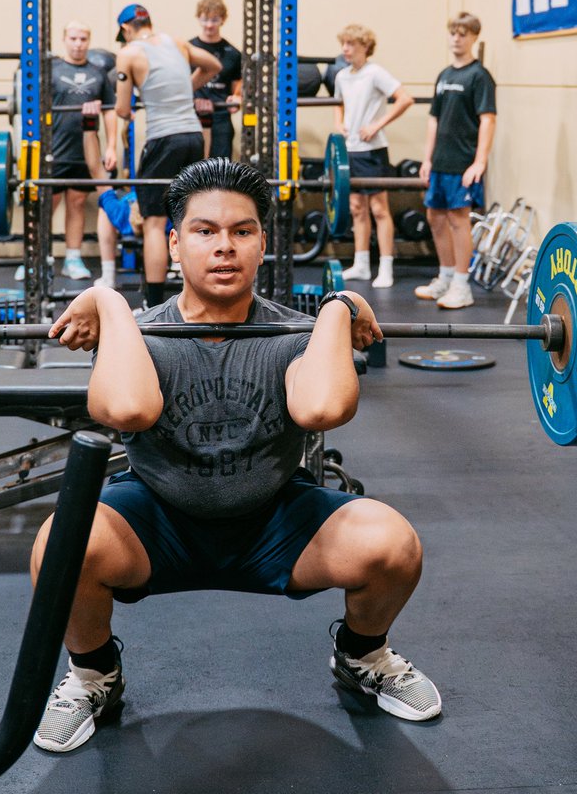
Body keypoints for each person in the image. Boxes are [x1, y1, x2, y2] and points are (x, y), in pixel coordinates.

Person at [31, 158, 441, 755]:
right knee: (61, 542)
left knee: (392, 542)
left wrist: (340, 305)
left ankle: (361, 654)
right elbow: (126, 411)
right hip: (158, 523)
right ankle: (95, 674)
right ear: (173, 242)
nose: (224, 247)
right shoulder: (135, 332)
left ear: (263, 242)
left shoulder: (297, 333)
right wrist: (109, 301)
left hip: (273, 523)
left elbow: (323, 408)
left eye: (242, 231)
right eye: (204, 231)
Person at [112, 4, 221, 309]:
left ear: (125, 29)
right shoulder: (178, 43)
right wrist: (185, 88)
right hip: (194, 137)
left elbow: (122, 109)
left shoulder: (129, 52)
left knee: (153, 223)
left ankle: (153, 304)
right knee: (190, 218)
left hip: (164, 140)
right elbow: (214, 65)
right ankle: (198, 297)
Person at [16, 22, 118, 282]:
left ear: (89, 40)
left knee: (78, 203)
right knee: (46, 205)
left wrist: (111, 146)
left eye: (83, 38)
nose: (78, 43)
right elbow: (32, 109)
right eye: (73, 38)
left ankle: (72, 258)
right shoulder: (52, 70)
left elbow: (109, 112)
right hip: (54, 149)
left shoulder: (99, 74)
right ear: (64, 39)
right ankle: (35, 259)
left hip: (85, 152)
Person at [415, 12, 496, 310]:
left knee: (458, 220)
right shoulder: (445, 75)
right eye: (453, 33)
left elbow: (488, 120)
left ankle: (462, 285)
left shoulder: (479, 76)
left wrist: (479, 162)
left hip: (464, 164)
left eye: (463, 33)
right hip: (440, 163)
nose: (457, 38)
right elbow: (434, 120)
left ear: (474, 37)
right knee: (435, 218)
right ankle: (446, 276)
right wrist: (427, 159)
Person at [332, 24, 413, 288]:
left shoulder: (375, 73)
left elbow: (404, 99)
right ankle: (362, 265)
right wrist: (339, 123)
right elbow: (339, 104)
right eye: (343, 43)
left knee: (379, 209)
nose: (345, 48)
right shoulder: (342, 76)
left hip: (373, 150)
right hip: (351, 150)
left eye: (351, 44)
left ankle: (386, 266)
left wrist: (377, 125)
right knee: (357, 209)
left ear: (365, 46)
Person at [189, 0, 243, 160]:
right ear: (198, 18)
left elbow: (237, 86)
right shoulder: (188, 50)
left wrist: (237, 98)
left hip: (220, 118)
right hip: (192, 117)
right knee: (192, 170)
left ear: (223, 20)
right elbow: (179, 86)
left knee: (220, 169)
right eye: (205, 20)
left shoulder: (233, 54)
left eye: (214, 20)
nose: (209, 25)